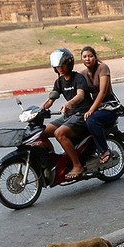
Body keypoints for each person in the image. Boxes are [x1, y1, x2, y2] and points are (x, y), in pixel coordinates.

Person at [40, 48, 91, 178]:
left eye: (62, 65)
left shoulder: (78, 78)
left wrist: (70, 103)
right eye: (57, 67)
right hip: (68, 116)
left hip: (82, 114)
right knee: (41, 132)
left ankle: (77, 166)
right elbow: (51, 100)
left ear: (69, 64)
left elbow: (80, 95)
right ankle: (53, 162)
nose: (60, 69)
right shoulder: (59, 82)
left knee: (59, 133)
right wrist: (38, 110)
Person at [80, 45, 119, 165]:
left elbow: (102, 92)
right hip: (96, 106)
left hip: (109, 106)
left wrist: (91, 109)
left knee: (91, 120)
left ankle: (104, 150)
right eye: (85, 57)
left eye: (90, 56)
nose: (88, 59)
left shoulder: (103, 68)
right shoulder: (83, 74)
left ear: (95, 57)